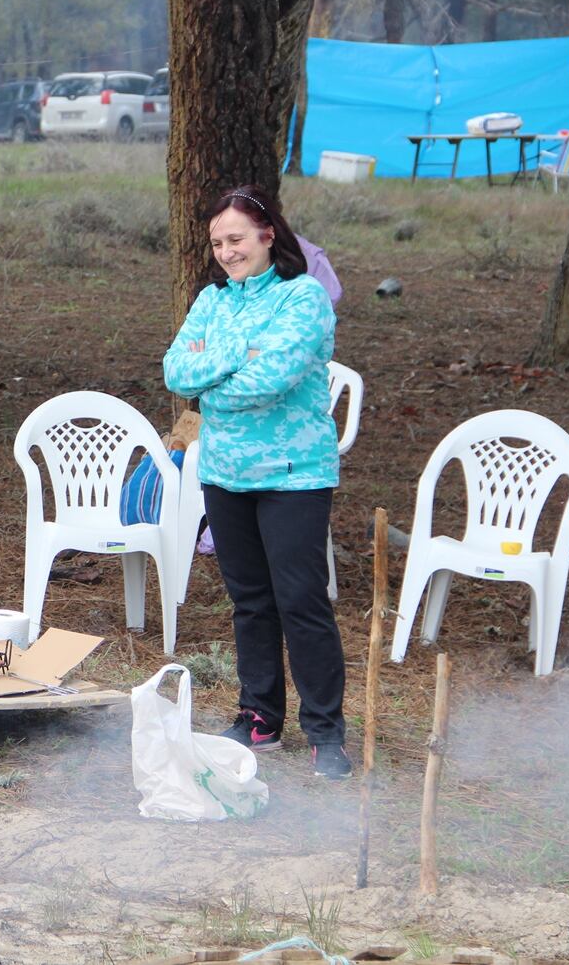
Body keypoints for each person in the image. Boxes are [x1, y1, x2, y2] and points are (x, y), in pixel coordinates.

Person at [162, 184, 350, 780]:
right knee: (249, 602)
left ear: (269, 235)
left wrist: (217, 371)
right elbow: (175, 370)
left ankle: (325, 732)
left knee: (302, 602)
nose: (226, 251)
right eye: (217, 242)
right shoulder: (212, 302)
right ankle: (259, 717)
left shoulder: (304, 299)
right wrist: (240, 353)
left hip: (294, 476)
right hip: (224, 473)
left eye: (237, 238)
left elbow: (266, 383)